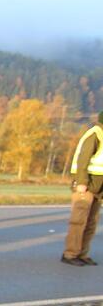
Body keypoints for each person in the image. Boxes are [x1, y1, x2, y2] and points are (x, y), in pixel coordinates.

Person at [62, 111, 103, 266]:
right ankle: (70, 254)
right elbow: (83, 160)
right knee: (79, 221)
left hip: (98, 188)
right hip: (85, 185)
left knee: (91, 222)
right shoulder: (95, 133)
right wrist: (81, 182)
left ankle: (82, 253)